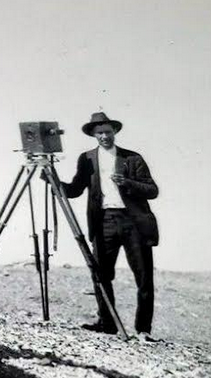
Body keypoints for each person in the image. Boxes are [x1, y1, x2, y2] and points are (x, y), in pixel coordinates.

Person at [57, 112, 159, 341]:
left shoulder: (133, 158)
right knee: (100, 274)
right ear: (94, 135)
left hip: (133, 222)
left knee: (144, 277)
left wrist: (128, 183)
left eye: (107, 132)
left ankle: (143, 330)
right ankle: (107, 323)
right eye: (99, 133)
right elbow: (75, 189)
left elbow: (153, 190)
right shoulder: (87, 159)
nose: (104, 136)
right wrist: (52, 180)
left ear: (114, 132)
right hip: (104, 222)